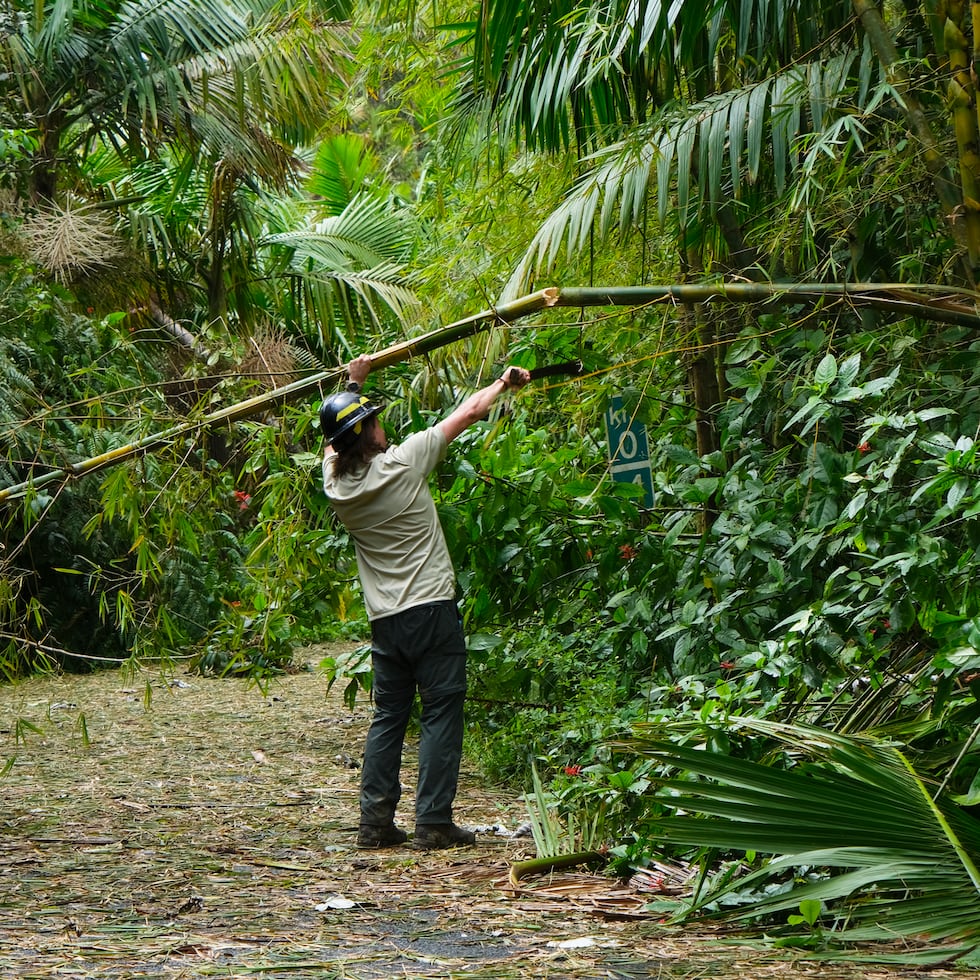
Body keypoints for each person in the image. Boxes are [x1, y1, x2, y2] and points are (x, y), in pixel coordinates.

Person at [320, 354, 531, 850]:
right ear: (366, 432)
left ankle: (374, 823)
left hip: (386, 622)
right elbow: (470, 411)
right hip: (432, 611)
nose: (382, 424)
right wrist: (504, 381)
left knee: (389, 716)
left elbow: (330, 445)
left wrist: (354, 382)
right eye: (373, 419)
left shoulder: (336, 487)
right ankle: (433, 821)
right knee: (439, 711)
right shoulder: (405, 461)